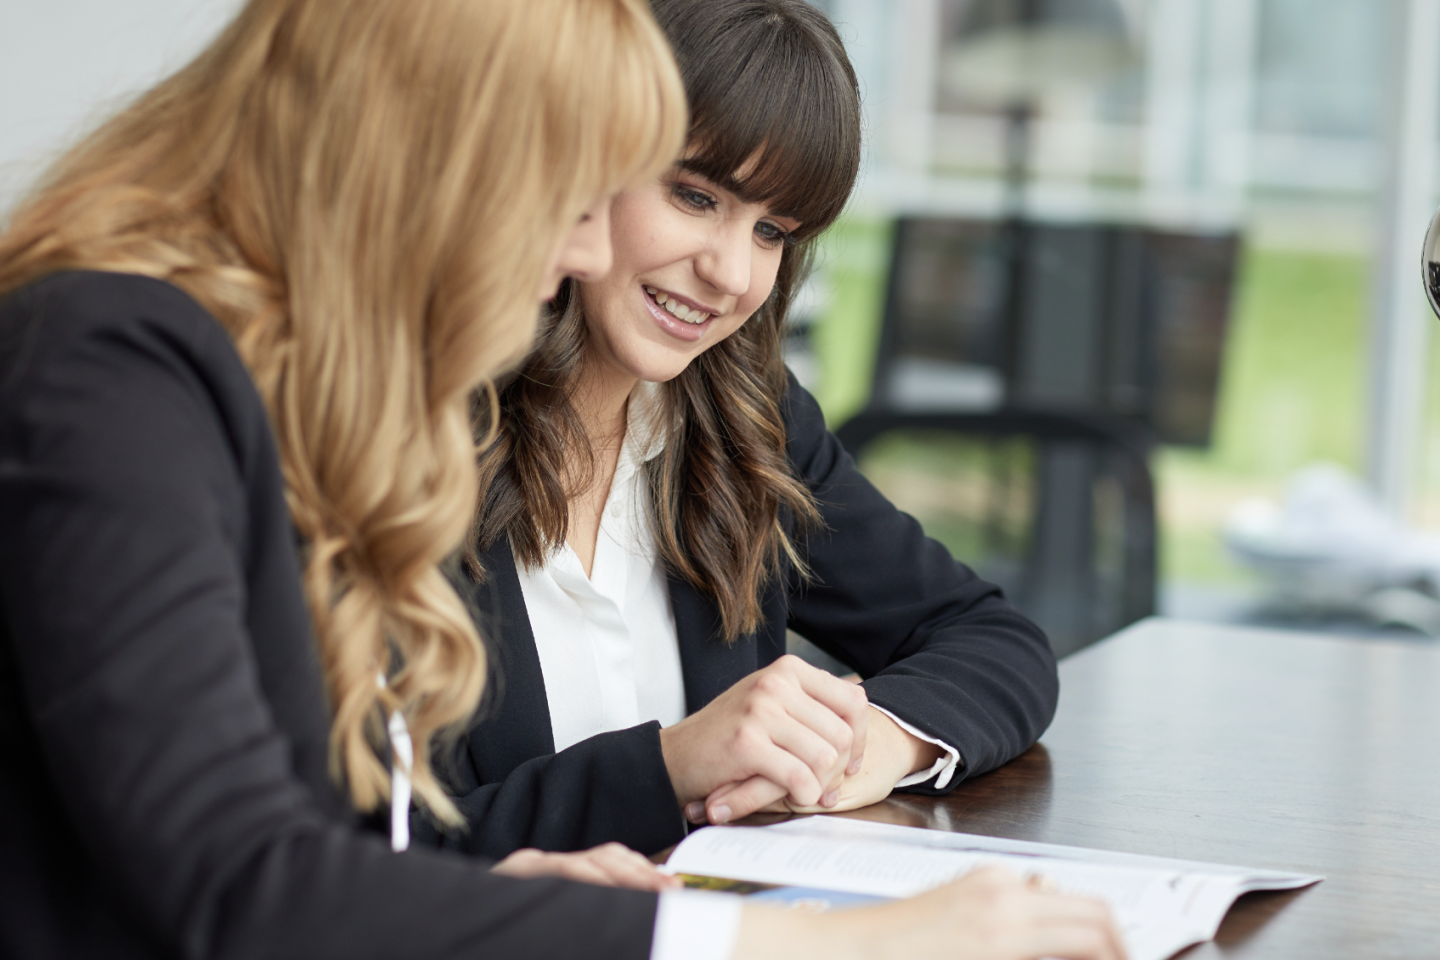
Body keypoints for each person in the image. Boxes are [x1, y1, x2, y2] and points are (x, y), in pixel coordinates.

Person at [0, 0, 1124, 957]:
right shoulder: (116, 366)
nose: (585, 253)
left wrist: (517, 900)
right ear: (428, 152)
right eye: (580, 193)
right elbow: (245, 880)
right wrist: (808, 941)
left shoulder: (300, 391)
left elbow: (354, 851)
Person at [420, 0, 1059, 863]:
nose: (730, 273)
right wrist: (671, 766)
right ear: (581, 164)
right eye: (694, 195)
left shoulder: (745, 419)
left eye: (772, 232)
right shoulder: (401, 440)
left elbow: (993, 640)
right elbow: (366, 853)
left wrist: (865, 744)